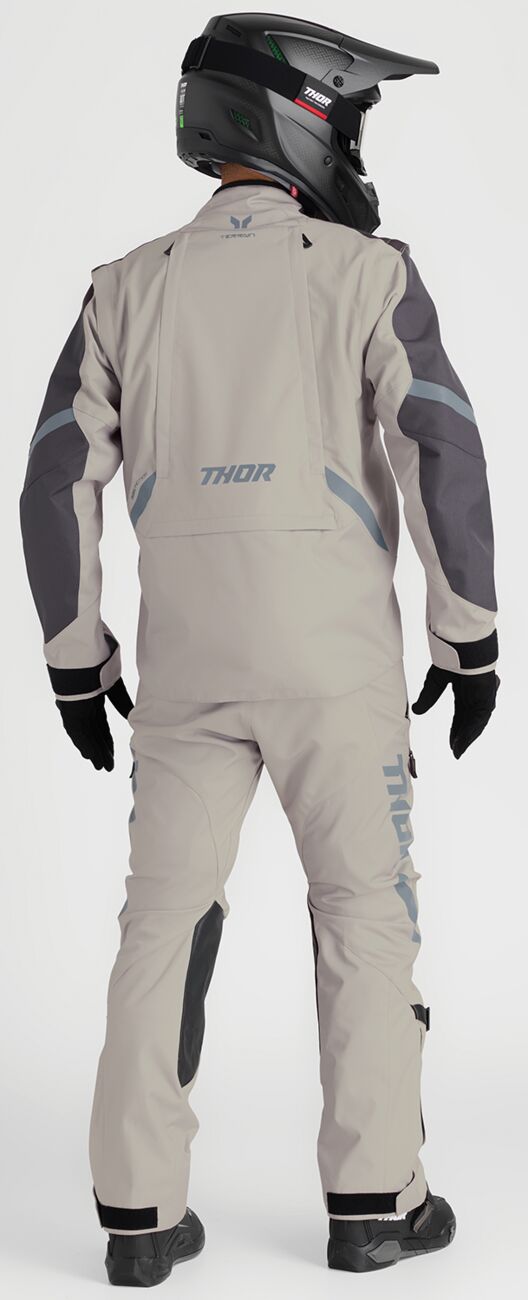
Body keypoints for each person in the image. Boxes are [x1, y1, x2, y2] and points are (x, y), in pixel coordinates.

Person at [20, 12, 499, 1285]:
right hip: (335, 670)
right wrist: (470, 638)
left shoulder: (124, 286)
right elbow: (442, 446)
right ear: (295, 121)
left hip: (184, 671)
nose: (354, 149)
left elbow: (55, 476)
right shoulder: (367, 273)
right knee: (364, 914)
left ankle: (137, 1217)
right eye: (349, 122)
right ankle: (373, 1203)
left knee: (161, 922)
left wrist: (76, 659)